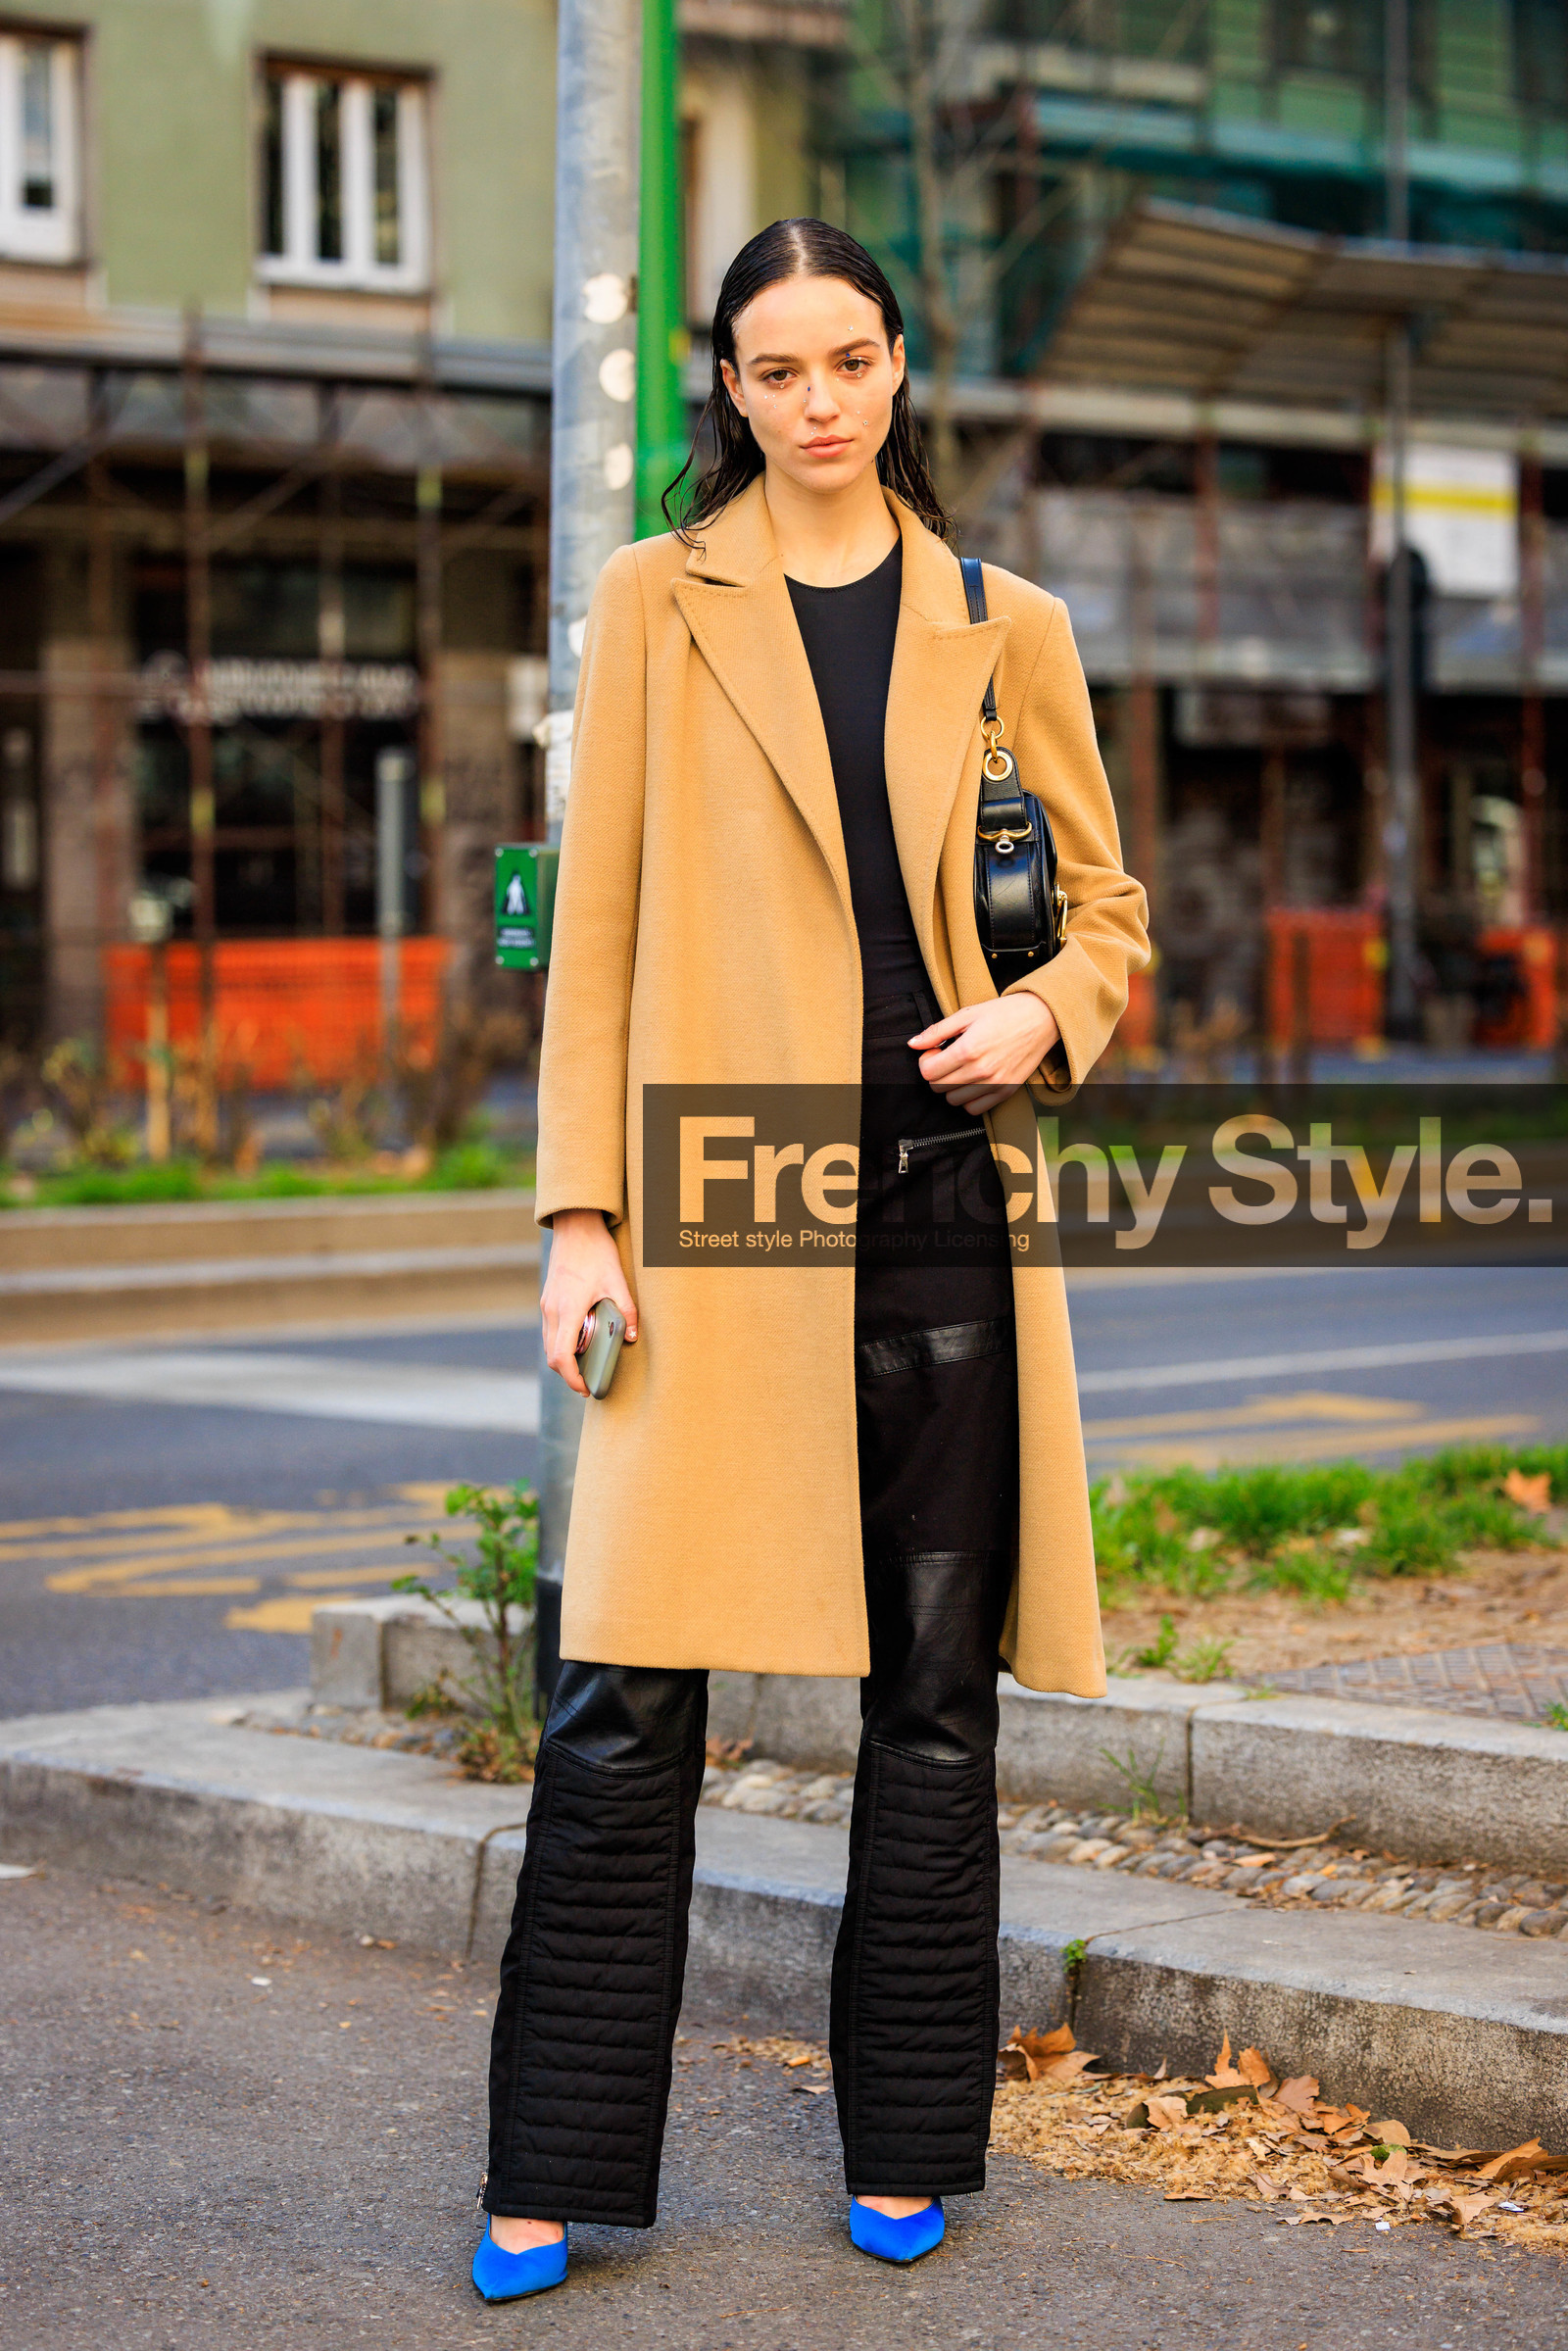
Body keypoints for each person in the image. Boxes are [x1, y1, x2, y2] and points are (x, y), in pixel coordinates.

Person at [471, 218, 1148, 2303]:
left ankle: (909, 2143)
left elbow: (1105, 913)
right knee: (619, 1694)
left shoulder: (998, 618)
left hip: (942, 1192)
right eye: (776, 372)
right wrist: (578, 1215)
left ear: (900, 365)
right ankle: (546, 2165)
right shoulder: (652, 607)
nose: (820, 402)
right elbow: (589, 932)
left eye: (849, 361)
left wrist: (1044, 1017)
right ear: (731, 391)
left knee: (930, 1698)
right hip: (718, 1189)